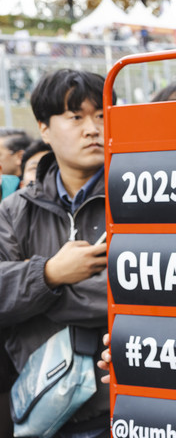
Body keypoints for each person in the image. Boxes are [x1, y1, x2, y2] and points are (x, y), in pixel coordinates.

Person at [0, 69, 113, 438]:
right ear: (44, 128)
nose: (93, 129)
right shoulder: (14, 210)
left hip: (124, 403)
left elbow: (145, 289)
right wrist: (49, 273)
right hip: (44, 408)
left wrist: (38, 294)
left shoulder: (138, 197)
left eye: (102, 115)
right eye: (75, 117)